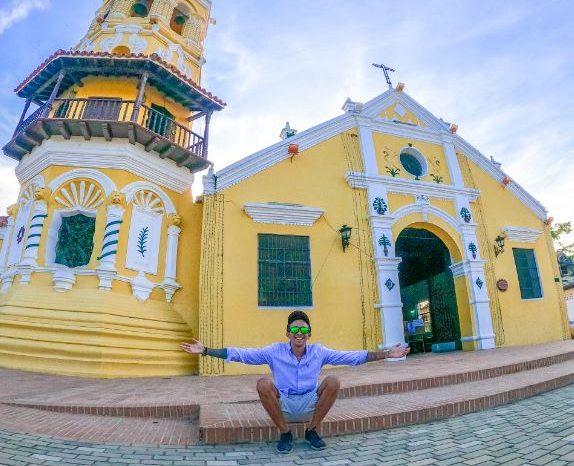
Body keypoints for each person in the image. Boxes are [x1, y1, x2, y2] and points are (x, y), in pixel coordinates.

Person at [180, 310, 410, 453]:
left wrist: (387, 353)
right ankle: (285, 433)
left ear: (309, 333)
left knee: (333, 381)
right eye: (294, 329)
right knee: (262, 383)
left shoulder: (319, 352)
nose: (299, 332)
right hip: (284, 405)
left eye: (303, 329)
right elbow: (241, 354)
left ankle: (312, 430)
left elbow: (353, 357)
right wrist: (206, 350)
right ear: (287, 333)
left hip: (311, 404)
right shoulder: (274, 351)